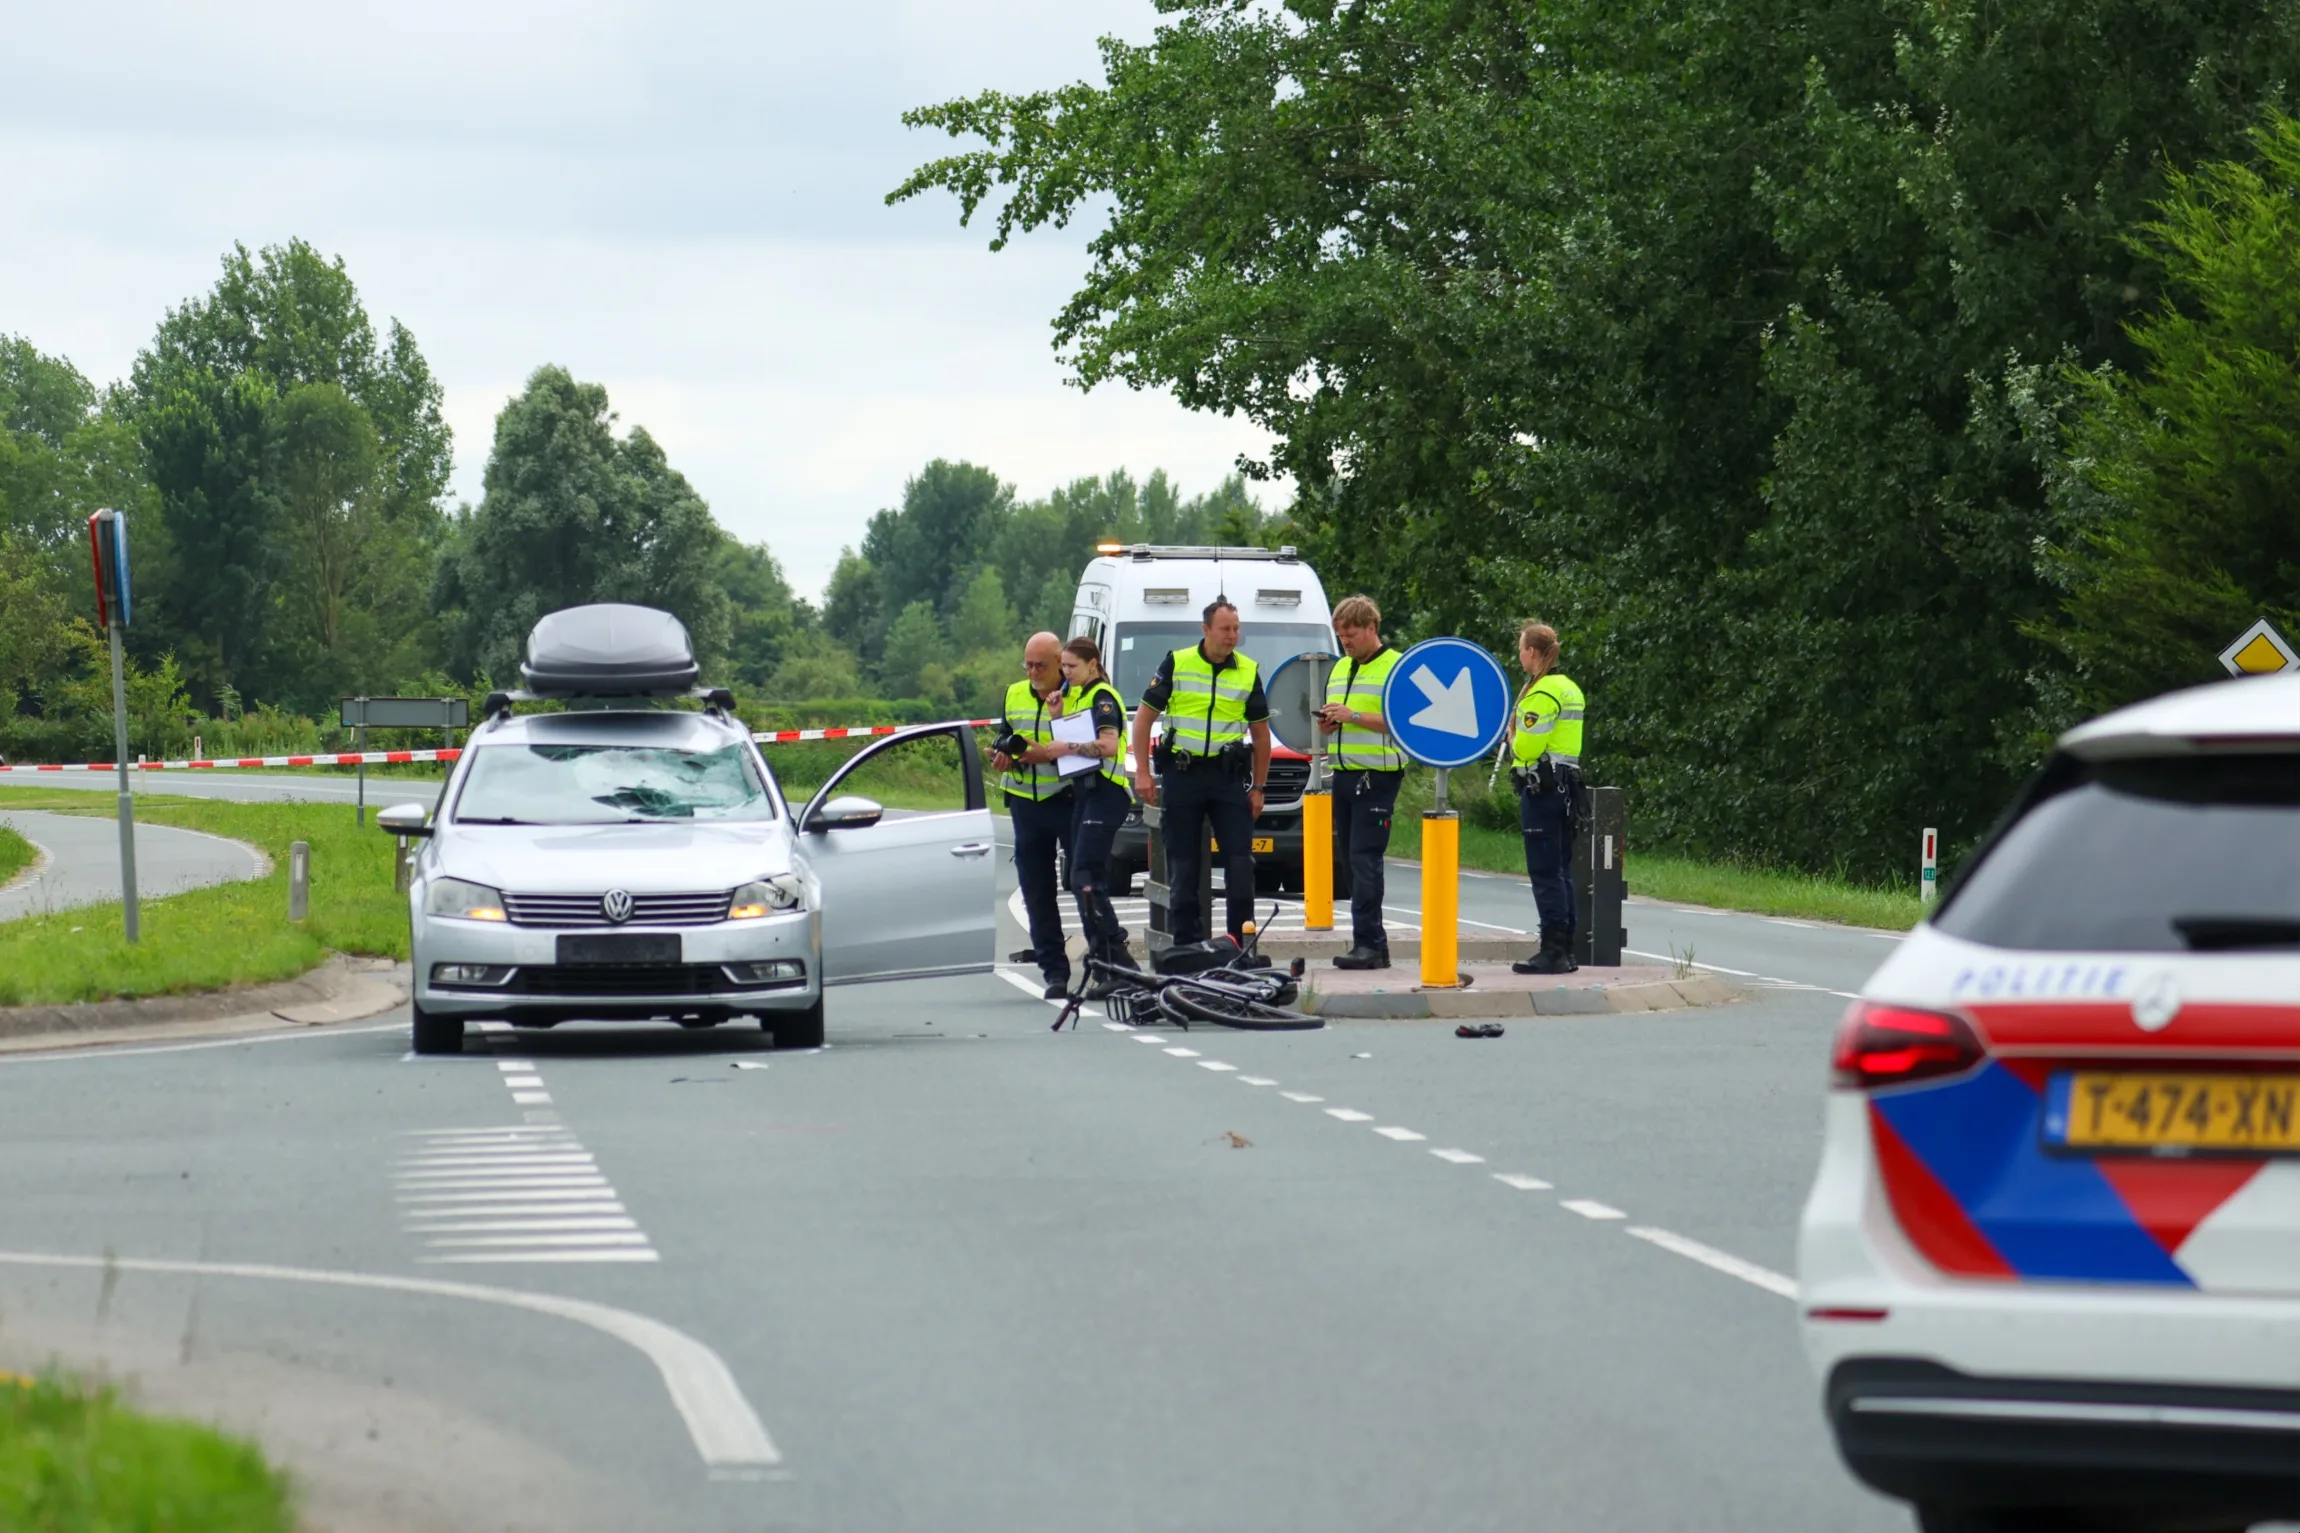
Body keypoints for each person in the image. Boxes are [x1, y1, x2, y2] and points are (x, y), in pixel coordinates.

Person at [1130, 598, 1272, 948]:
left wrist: (1259, 787)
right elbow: (1144, 718)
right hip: (1184, 775)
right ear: (1205, 629)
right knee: (1185, 865)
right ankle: (1188, 946)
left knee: (1240, 864)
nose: (1232, 636)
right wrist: (1143, 774)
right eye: (1225, 629)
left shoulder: (1248, 670)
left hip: (1226, 778)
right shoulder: (1178, 662)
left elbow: (1261, 734)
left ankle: (1240, 942)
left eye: (1236, 629)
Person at [1314, 595, 1404, 969]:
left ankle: (1370, 944)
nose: (1346, 643)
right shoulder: (1340, 669)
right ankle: (1367, 942)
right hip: (1345, 773)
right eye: (1341, 637)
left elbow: (1403, 723)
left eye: (1351, 635)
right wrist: (1328, 723)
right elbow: (1340, 717)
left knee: (1365, 861)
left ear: (1372, 628)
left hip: (1378, 776)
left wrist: (1354, 716)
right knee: (1351, 863)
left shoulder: (1396, 667)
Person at [991, 632, 1076, 998]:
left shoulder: (1078, 695)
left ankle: (1108, 962)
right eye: (1028, 664)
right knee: (1036, 891)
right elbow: (1004, 734)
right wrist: (1001, 752)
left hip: (1068, 798)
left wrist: (1049, 754)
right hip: (1025, 802)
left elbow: (1084, 744)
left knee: (1087, 883)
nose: (1033, 671)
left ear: (1060, 661)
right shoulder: (1014, 693)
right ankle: (1054, 972)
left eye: (1040, 665)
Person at [1052, 636, 1138, 991]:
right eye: (1064, 666)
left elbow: (1108, 745)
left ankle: (1115, 957)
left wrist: (1066, 746)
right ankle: (1106, 963)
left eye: (1072, 666)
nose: (1066, 672)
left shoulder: (1103, 698)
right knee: (1078, 875)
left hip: (1107, 792)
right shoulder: (1079, 695)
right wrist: (1058, 716)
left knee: (1086, 873)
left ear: (1093, 663)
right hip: (1086, 793)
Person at [1508, 621, 1587, 975]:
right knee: (1562, 871)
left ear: (1532, 652)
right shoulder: (1570, 688)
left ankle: (1552, 950)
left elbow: (1527, 746)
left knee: (1544, 872)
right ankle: (1566, 949)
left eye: (1521, 649)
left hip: (1542, 787)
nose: (1520, 655)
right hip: (1568, 787)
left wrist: (1512, 736)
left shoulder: (1540, 695)